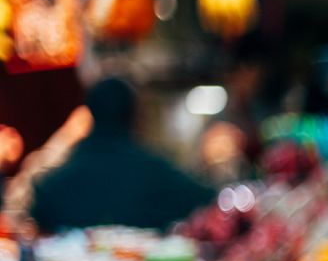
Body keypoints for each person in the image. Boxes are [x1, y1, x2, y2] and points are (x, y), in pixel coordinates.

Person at [29, 78, 215, 233]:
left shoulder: (55, 183)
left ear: (89, 113)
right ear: (135, 115)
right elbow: (208, 199)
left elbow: (36, 210)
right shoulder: (160, 175)